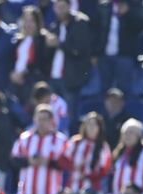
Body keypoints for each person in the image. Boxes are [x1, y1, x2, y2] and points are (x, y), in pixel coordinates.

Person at [10, 105, 68, 194]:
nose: (41, 123)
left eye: (45, 119)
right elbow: (14, 160)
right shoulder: (25, 138)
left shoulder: (60, 140)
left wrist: (48, 162)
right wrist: (29, 161)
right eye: (39, 119)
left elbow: (66, 163)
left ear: (51, 121)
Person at [46, 0, 92, 129]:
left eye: (63, 7)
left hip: (70, 79)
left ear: (69, 6)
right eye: (57, 7)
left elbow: (80, 50)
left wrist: (59, 44)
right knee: (52, 113)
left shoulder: (80, 22)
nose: (60, 10)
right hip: (54, 76)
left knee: (69, 115)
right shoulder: (55, 25)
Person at [97, 0, 143, 96]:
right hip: (105, 56)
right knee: (104, 90)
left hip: (125, 56)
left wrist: (127, 13)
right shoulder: (104, 7)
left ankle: (126, 111)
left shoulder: (133, 5)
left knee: (125, 90)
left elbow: (140, 26)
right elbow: (97, 30)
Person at [62, 112, 112, 193]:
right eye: (89, 124)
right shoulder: (75, 142)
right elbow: (62, 159)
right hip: (73, 188)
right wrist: (74, 167)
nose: (91, 127)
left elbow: (105, 170)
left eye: (94, 125)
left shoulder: (103, 146)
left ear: (99, 128)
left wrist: (88, 176)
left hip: (93, 191)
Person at [10, 6, 51, 104]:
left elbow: (41, 63)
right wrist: (12, 74)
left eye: (31, 21)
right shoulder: (18, 41)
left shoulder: (43, 40)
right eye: (25, 20)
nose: (28, 24)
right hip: (15, 84)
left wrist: (23, 74)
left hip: (32, 84)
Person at [111, 118, 143, 194]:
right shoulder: (119, 152)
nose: (127, 135)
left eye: (131, 133)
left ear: (139, 135)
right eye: (125, 133)